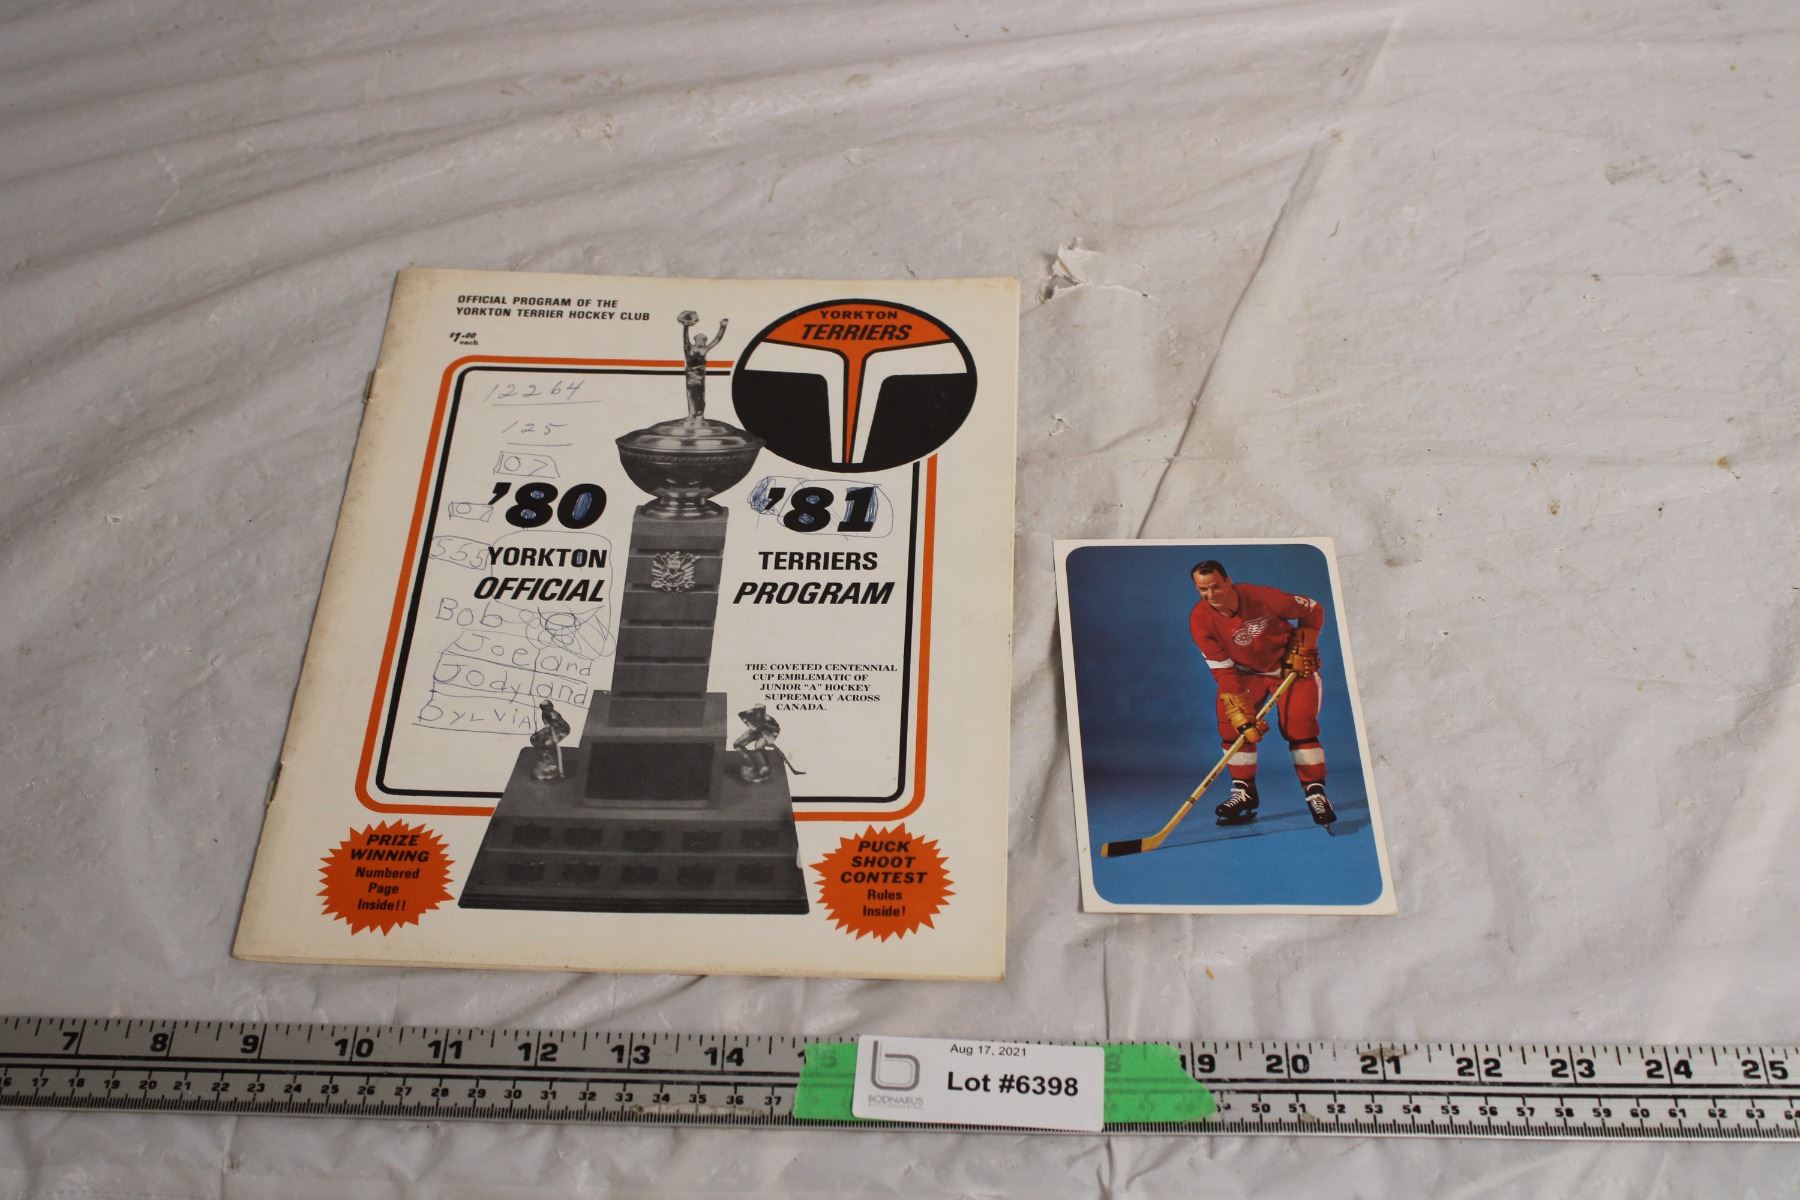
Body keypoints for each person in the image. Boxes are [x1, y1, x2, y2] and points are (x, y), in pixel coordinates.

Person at [1187, 560, 1336, 827]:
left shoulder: (1263, 597)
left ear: (1228, 581)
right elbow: (1223, 671)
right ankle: (1244, 792)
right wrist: (1243, 717)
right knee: (1233, 728)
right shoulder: (1200, 620)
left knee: (1299, 728)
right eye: (1203, 589)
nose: (1211, 595)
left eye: (1216, 587)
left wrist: (1306, 640)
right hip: (1246, 674)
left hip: (1289, 670)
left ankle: (1316, 792)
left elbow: (1313, 608)